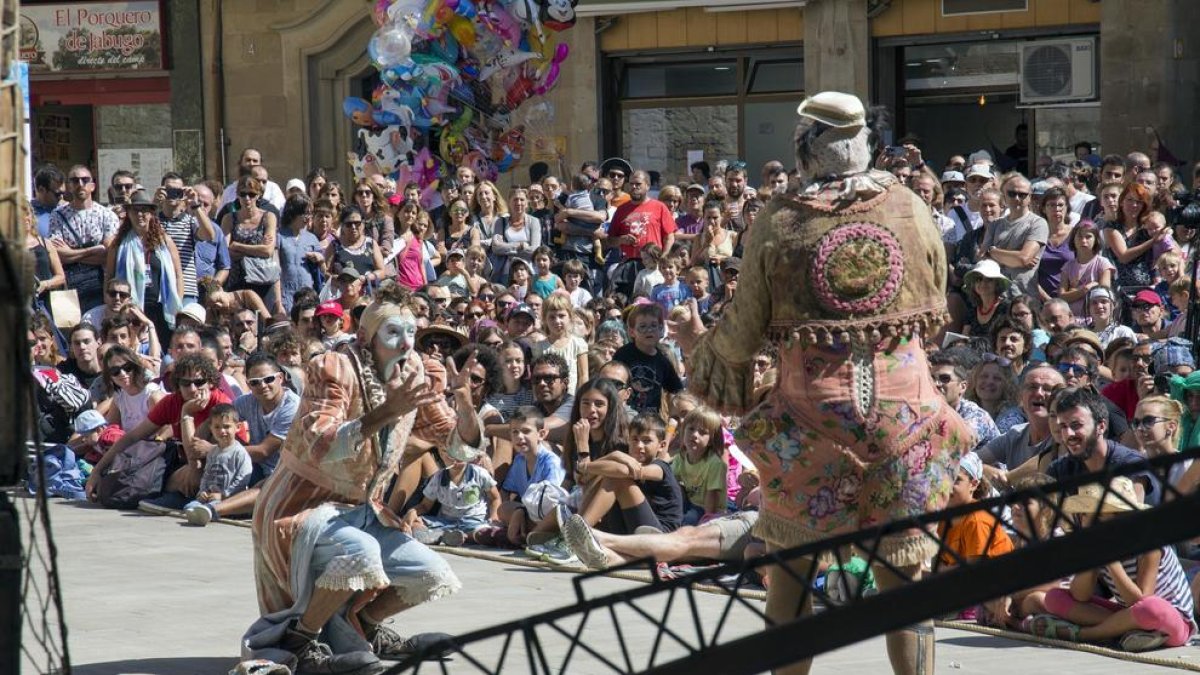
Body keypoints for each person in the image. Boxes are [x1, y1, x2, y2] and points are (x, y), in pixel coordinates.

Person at [670, 91, 975, 675]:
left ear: (807, 147)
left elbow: (740, 337)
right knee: (907, 591)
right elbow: (937, 298)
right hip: (903, 424)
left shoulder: (779, 220)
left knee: (790, 589)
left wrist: (697, 345)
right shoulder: (910, 206)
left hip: (809, 431)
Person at [243, 283, 483, 671]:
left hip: (360, 509)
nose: (406, 344)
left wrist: (466, 403)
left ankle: (365, 628)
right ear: (365, 336)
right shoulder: (333, 368)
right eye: (393, 333)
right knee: (362, 554)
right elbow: (321, 440)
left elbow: (455, 447)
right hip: (301, 506)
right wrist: (387, 411)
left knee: (430, 572)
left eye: (410, 332)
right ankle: (299, 641)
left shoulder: (416, 372)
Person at [1029, 476, 1195, 651]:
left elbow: (1140, 600)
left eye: (1099, 517)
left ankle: (1083, 634)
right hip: (1129, 615)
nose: (1090, 524)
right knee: (1055, 598)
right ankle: (1125, 631)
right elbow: (1080, 596)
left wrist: (1111, 561)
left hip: (1171, 621)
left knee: (1150, 608)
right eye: (1086, 515)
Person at [104, 189, 185, 345]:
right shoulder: (119, 244)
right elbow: (109, 276)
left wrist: (178, 303)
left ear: (152, 213)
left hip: (162, 308)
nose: (140, 214)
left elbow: (178, 275)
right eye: (135, 210)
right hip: (130, 309)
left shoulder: (165, 241)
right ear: (128, 213)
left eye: (145, 210)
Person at [49, 164, 121, 312]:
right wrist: (94, 249)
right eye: (75, 181)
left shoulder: (106, 215)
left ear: (92, 186)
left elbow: (108, 256)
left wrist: (72, 253)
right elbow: (57, 255)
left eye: (84, 180)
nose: (80, 184)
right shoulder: (57, 215)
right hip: (68, 286)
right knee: (70, 329)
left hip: (99, 284)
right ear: (69, 186)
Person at [403, 445, 501, 546]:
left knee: (484, 533)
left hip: (474, 522)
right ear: (442, 454)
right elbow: (425, 505)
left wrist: (494, 517)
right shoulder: (438, 477)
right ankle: (441, 536)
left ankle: (465, 537)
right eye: (451, 453)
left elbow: (495, 498)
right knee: (415, 523)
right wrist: (413, 511)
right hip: (446, 523)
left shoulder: (479, 474)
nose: (457, 457)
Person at [935, 452, 1013, 570]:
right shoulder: (943, 515)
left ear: (973, 484)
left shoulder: (976, 520)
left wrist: (941, 571)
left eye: (956, 480)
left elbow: (974, 575)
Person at [181, 403, 253, 526]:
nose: (222, 431)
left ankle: (209, 513)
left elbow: (242, 479)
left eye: (227, 427)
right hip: (210, 496)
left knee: (213, 506)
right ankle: (201, 513)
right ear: (211, 428)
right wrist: (202, 491)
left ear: (237, 427)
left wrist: (224, 495)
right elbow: (207, 474)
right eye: (217, 427)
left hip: (228, 499)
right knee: (191, 505)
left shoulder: (240, 453)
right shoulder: (213, 452)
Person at [614, 302, 683, 415]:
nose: (649, 330)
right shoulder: (623, 354)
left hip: (650, 419)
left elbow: (676, 391)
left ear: (661, 330)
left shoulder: (662, 361)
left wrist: (673, 417)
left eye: (653, 325)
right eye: (642, 326)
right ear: (632, 332)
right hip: (624, 415)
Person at [671, 406, 729, 526]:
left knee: (688, 520)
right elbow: (672, 483)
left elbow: (712, 497)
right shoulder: (680, 457)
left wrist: (706, 522)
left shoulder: (714, 464)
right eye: (691, 429)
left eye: (702, 432)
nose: (695, 435)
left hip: (707, 508)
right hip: (690, 502)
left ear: (712, 440)